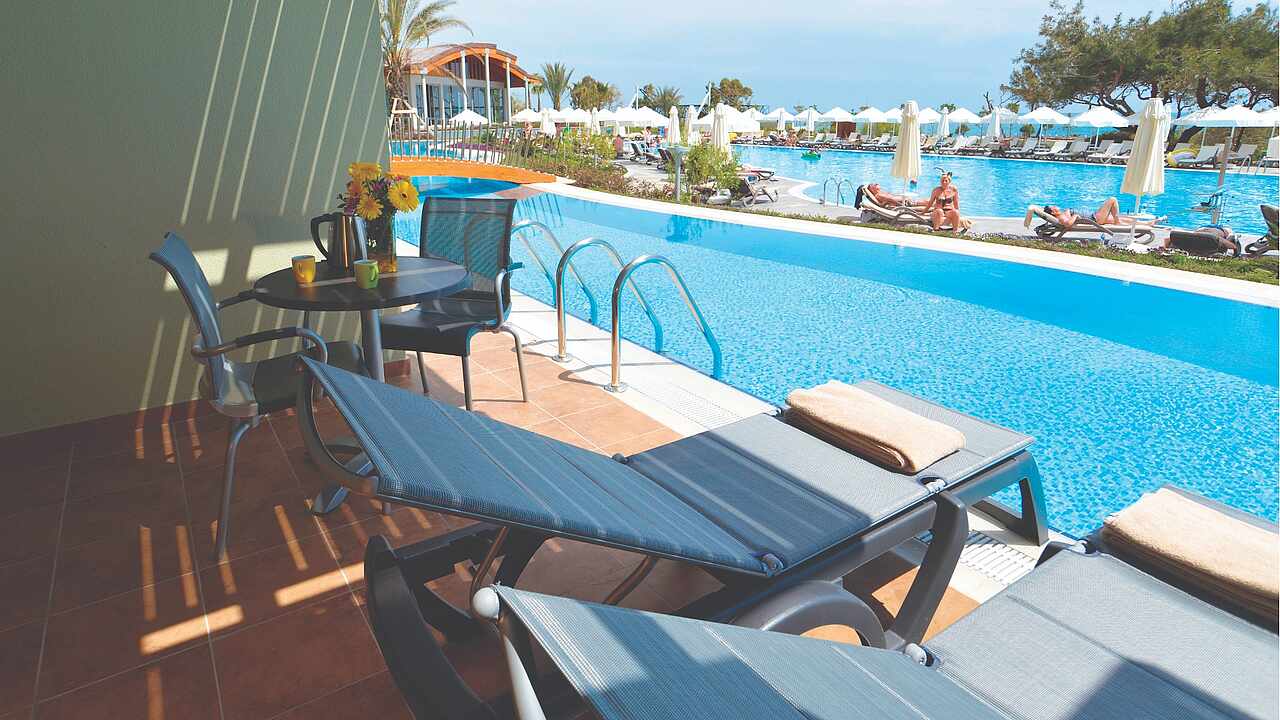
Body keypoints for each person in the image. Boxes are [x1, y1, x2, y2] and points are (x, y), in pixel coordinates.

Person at [1042, 197, 1135, 229]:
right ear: (1053, 212)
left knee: (1121, 219)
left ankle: (1142, 223)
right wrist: (1075, 215)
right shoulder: (1061, 217)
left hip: (1095, 217)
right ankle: (1117, 222)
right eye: (1053, 206)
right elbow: (1068, 224)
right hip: (1095, 218)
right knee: (1112, 199)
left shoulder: (1063, 214)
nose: (1055, 205)